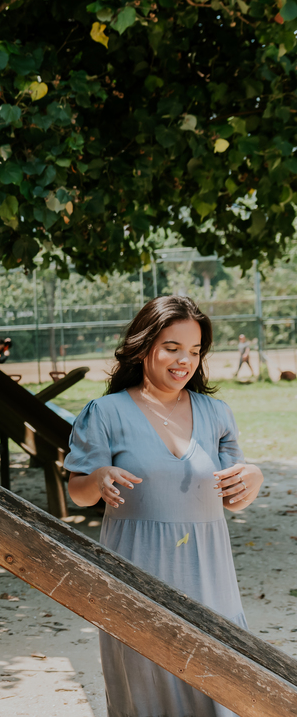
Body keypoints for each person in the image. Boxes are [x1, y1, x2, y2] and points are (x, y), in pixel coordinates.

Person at [65, 295, 263, 717]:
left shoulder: (217, 413)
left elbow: (235, 494)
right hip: (136, 572)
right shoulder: (104, 412)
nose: (184, 361)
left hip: (211, 578)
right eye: (173, 348)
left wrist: (254, 478)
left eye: (194, 351)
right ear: (144, 346)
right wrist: (98, 478)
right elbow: (77, 492)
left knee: (219, 683)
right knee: (146, 686)